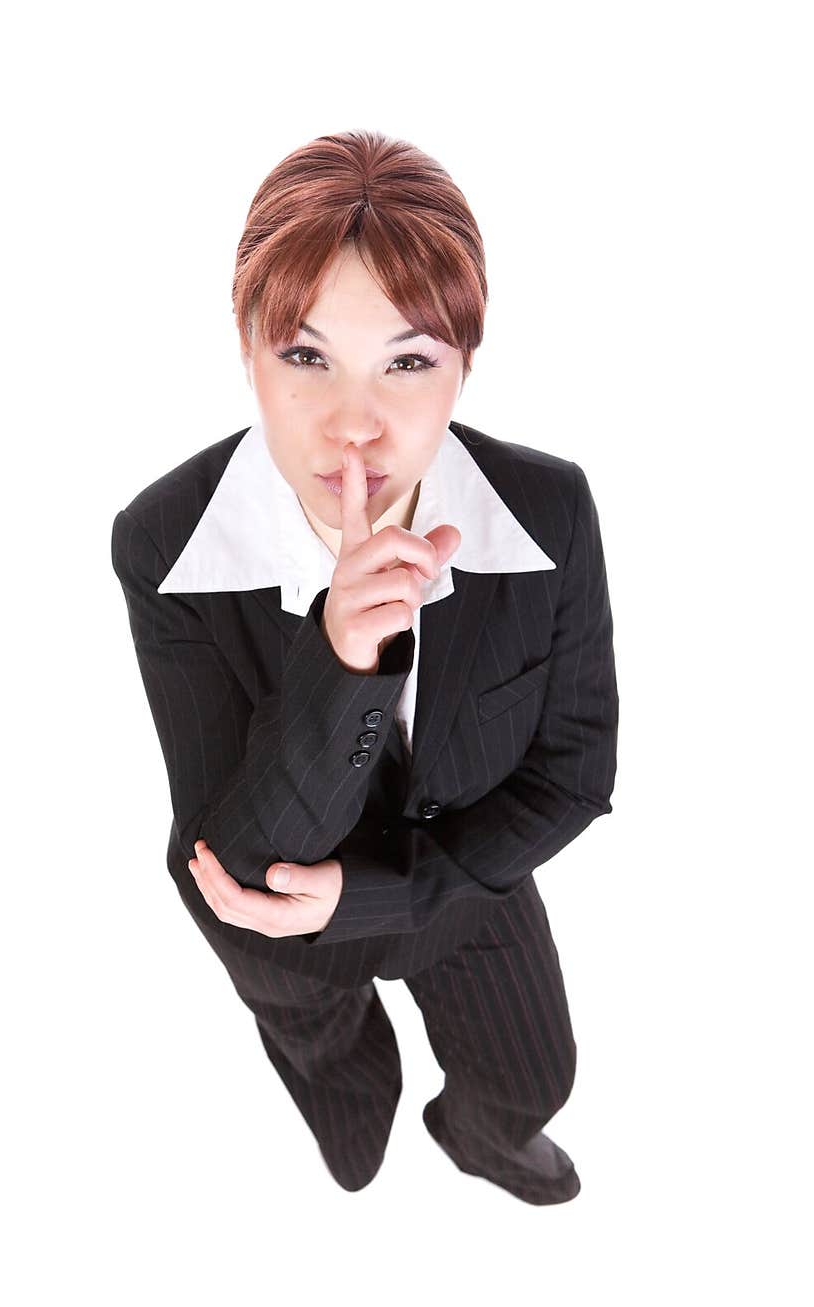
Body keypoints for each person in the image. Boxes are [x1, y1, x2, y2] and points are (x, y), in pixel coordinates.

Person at [111, 129, 619, 1203]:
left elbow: (573, 775)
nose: (355, 424)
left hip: (462, 889)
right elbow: (228, 861)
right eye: (305, 357)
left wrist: (382, 893)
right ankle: (360, 1103)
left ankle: (476, 1133)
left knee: (537, 1075)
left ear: (462, 366)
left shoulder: (550, 512)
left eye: (407, 360)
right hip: (281, 936)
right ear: (246, 348)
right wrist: (341, 658)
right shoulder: (164, 540)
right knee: (327, 1067)